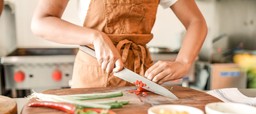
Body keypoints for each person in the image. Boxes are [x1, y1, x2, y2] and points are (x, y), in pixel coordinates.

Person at [31, 0, 207, 88]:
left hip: (141, 77)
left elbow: (196, 21)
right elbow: (41, 22)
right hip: (91, 78)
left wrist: (184, 62)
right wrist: (95, 37)